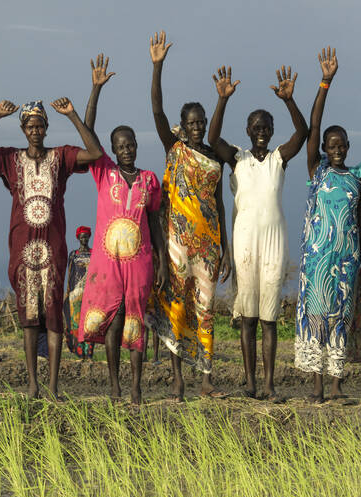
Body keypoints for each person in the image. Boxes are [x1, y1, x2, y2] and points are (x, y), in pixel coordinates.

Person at [0, 93, 105, 400]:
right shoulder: (10, 159)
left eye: (40, 125)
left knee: (53, 316)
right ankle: (32, 385)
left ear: (46, 127)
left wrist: (72, 115)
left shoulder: (61, 156)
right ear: (23, 130)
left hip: (53, 249)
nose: (35, 130)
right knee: (29, 318)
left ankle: (53, 387)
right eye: (30, 126)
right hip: (22, 249)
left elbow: (94, 153)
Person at [77, 54, 168, 403]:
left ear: (136, 146)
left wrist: (160, 260)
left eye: (131, 145)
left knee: (136, 324)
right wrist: (95, 90)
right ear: (113, 151)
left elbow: (155, 224)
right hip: (107, 261)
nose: (127, 150)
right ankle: (114, 386)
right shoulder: (104, 172)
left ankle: (136, 388)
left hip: (141, 261)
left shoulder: (149, 180)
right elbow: (88, 135)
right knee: (114, 323)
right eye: (120, 147)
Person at [147, 31, 232, 400]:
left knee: (206, 310)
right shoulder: (175, 148)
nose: (198, 127)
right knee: (177, 308)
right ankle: (178, 380)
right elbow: (157, 110)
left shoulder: (214, 157)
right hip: (178, 244)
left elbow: (220, 203)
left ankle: (207, 379)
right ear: (184, 125)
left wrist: (225, 246)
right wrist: (157, 66)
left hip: (209, 245)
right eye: (192, 122)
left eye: (201, 122)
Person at [217, 64, 309, 400]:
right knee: (248, 318)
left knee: (269, 317)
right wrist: (222, 100)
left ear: (271, 131)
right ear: (247, 129)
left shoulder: (277, 159)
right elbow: (214, 139)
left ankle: (269, 385)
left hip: (273, 244)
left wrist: (290, 100)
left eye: (265, 127)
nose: (260, 131)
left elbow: (303, 134)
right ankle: (251, 383)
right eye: (255, 126)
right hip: (244, 243)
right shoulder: (237, 159)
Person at [296, 47, 361, 402]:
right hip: (316, 259)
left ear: (348, 147)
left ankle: (338, 386)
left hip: (346, 260)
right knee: (316, 315)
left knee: (340, 316)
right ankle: (316, 387)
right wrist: (325, 82)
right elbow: (312, 125)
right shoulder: (317, 170)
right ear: (324, 147)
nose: (337, 149)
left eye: (342, 145)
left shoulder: (358, 177)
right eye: (331, 144)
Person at [65, 225, 95, 362]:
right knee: (76, 322)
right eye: (82, 237)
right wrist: (68, 292)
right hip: (75, 293)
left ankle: (88, 353)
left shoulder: (94, 253)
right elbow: (70, 274)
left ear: (89, 237)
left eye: (86, 237)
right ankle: (79, 352)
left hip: (91, 292)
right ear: (78, 238)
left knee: (89, 322)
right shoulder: (73, 254)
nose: (84, 239)